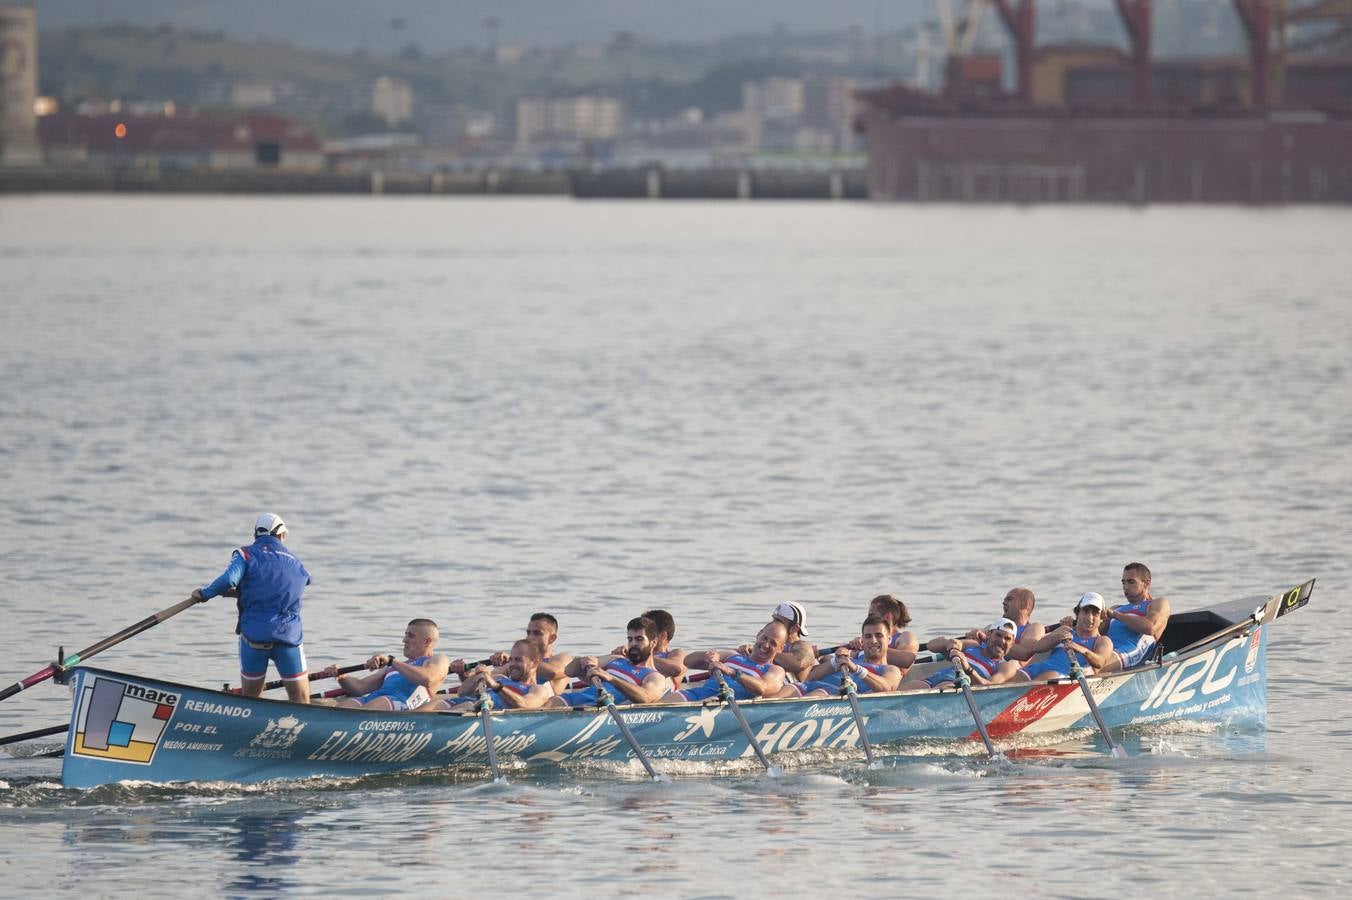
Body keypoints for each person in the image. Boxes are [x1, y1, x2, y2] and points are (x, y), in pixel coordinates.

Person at [191, 513, 313, 703]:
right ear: (282, 536)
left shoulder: (245, 554)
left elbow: (229, 580)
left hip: (254, 637)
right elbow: (289, 586)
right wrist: (242, 592)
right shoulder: (297, 563)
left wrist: (205, 593)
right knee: (302, 700)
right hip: (288, 638)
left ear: (255, 535)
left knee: (250, 702)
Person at [319, 619, 450, 710]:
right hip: (373, 701)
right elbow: (359, 688)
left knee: (380, 702)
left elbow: (428, 679)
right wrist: (341, 675)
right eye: (405, 635)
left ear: (427, 641)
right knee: (347, 704)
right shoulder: (395, 666)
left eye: (411, 636)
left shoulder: (438, 659)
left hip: (402, 706)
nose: (404, 640)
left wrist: (391, 661)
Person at [547, 617, 670, 707]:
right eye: (630, 639)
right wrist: (583, 661)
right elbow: (569, 671)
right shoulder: (615, 659)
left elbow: (646, 698)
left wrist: (610, 678)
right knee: (546, 704)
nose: (633, 644)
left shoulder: (655, 677)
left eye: (639, 639)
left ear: (653, 642)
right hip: (573, 699)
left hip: (600, 709)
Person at [661, 621, 788, 703]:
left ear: (781, 648)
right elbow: (688, 661)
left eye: (773, 643)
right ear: (759, 634)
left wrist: (730, 671)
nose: (766, 645)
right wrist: (710, 656)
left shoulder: (775, 670)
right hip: (699, 695)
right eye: (765, 638)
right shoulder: (732, 655)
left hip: (729, 705)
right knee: (659, 706)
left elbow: (762, 688)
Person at [684, 602, 814, 681]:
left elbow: (798, 663)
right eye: (774, 619)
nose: (774, 624)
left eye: (779, 621)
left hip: (786, 690)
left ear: (795, 628)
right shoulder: (767, 639)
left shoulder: (802, 646)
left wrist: (763, 650)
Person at [449, 612, 574, 694]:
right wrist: (464, 674)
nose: (530, 637)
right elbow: (484, 682)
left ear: (552, 638)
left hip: (535, 705)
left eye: (537, 633)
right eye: (528, 632)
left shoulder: (563, 658)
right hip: (506, 701)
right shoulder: (515, 662)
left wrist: (513, 660)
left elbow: (553, 672)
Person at [779, 615, 903, 698]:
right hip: (811, 686)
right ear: (863, 640)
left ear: (889, 639)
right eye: (868, 636)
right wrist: (835, 662)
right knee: (781, 695)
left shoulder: (890, 669)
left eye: (878, 635)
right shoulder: (850, 659)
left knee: (819, 693)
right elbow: (810, 677)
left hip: (834, 695)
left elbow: (887, 688)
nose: (873, 640)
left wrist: (856, 669)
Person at [433, 639, 554, 712]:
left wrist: (495, 686)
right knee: (429, 707)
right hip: (456, 704)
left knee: (468, 705)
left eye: (518, 660)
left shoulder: (538, 689)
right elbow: (462, 692)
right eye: (511, 659)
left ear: (535, 662)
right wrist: (477, 675)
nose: (512, 664)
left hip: (473, 712)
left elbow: (525, 705)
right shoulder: (499, 677)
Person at [1016, 593, 1115, 681]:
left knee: (1049, 675)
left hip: (1063, 677)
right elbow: (1037, 648)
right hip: (1038, 669)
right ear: (1078, 614)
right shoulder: (1065, 631)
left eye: (1095, 613)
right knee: (1014, 675)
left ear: (1101, 618)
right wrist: (1056, 637)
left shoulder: (1103, 641)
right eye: (1086, 611)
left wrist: (1081, 649)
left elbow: (1100, 662)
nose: (1090, 618)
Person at [903, 618, 1022, 690]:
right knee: (909, 686)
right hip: (933, 679)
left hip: (956, 685)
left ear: (1012, 644)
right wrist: (952, 644)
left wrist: (968, 669)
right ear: (989, 635)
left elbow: (988, 685)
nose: (1002, 641)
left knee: (943, 686)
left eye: (1007, 638)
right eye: (998, 635)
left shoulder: (1006, 666)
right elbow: (931, 645)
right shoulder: (973, 645)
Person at [1097, 562, 1170, 673]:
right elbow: (1093, 634)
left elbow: (1150, 627)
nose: (1125, 587)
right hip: (1105, 650)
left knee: (1094, 666)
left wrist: (1116, 615)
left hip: (1130, 652)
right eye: (1123, 582)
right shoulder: (1116, 608)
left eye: (1131, 582)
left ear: (1146, 583)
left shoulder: (1157, 604)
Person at [960, 588, 1046, 663]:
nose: (1004, 602)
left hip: (1000, 671)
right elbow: (976, 642)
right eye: (1005, 600)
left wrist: (987, 639)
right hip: (973, 662)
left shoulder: (1034, 628)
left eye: (1009, 599)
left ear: (1025, 604)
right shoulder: (993, 626)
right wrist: (972, 636)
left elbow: (1025, 653)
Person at [612, 608, 687, 689]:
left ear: (662, 636)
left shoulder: (676, 653)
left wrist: (636, 655)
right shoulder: (632, 651)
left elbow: (675, 669)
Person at [847, 594, 919, 666]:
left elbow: (906, 659)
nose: (868, 619)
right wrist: (853, 648)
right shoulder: (870, 640)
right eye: (868, 636)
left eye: (871, 615)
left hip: (888, 675)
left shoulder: (905, 636)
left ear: (888, 616)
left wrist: (867, 647)